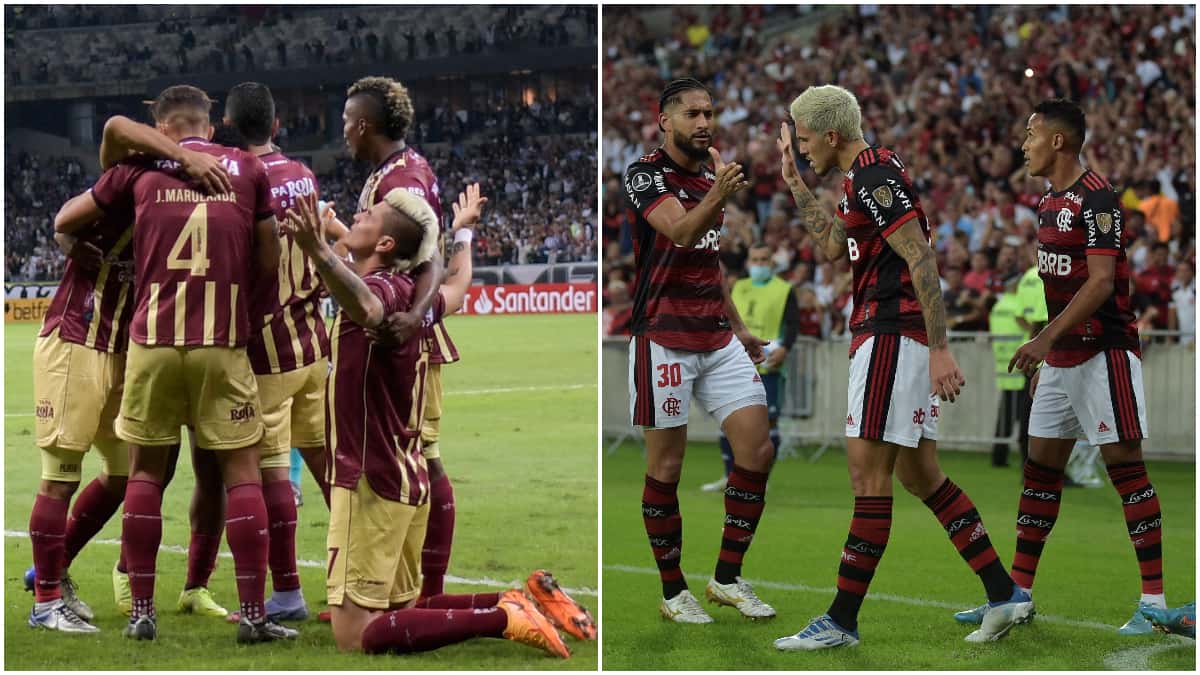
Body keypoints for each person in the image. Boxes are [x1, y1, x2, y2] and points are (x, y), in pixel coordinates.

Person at [772, 85, 1028, 651]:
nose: (802, 146)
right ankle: (1004, 592)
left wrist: (939, 348)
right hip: (895, 337)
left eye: (805, 138)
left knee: (868, 478)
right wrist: (793, 178)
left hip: (891, 336)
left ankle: (841, 619)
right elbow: (836, 246)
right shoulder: (865, 173)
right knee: (920, 476)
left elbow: (920, 255)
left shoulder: (873, 176)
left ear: (832, 134)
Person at [283, 188, 570, 658]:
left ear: (386, 246)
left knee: (355, 633)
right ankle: (517, 600)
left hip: (370, 479)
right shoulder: (416, 293)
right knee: (404, 608)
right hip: (406, 473)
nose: (358, 215)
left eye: (369, 215)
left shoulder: (377, 293)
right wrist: (463, 234)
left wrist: (317, 249)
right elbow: (457, 287)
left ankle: (503, 619)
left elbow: (368, 308)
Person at [53, 85, 294, 643]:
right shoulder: (249, 170)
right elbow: (268, 260)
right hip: (221, 341)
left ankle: (142, 611)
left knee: (143, 472)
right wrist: (244, 316)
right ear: (209, 129)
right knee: (240, 473)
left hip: (153, 344)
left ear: (161, 127)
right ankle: (256, 616)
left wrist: (69, 242)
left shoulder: (139, 170)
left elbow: (68, 217)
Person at [27, 110, 240, 633]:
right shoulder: (132, 171)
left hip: (124, 348)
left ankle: (52, 573)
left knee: (127, 472)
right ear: (177, 131)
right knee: (60, 477)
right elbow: (68, 209)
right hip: (77, 337)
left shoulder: (199, 189)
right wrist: (184, 156)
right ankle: (46, 603)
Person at [973, 98, 1167, 635]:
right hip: (1060, 357)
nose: (1024, 143)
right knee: (1039, 473)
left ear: (1057, 141)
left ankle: (1153, 603)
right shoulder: (1047, 201)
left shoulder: (1099, 198)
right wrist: (1047, 354)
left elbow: (1101, 282)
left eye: (1031, 134)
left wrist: (1040, 342)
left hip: (1104, 351)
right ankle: (1018, 595)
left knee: (1127, 473)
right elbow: (1059, 286)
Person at [623, 78, 777, 624]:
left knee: (758, 451)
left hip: (715, 335)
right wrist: (718, 194)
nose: (704, 122)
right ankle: (672, 592)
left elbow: (709, 261)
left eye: (709, 112)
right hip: (663, 336)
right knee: (667, 466)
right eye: (692, 113)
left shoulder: (713, 173)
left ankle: (727, 579)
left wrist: (738, 326)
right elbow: (682, 233)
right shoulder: (645, 174)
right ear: (665, 120)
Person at [224, 81, 346, 622]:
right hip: (311, 341)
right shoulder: (303, 175)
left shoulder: (240, 181)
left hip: (266, 347)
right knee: (326, 464)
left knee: (273, 469)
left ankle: (288, 593)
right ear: (276, 125)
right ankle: (353, 574)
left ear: (229, 127)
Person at [342, 76, 457, 601]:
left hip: (402, 338)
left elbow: (432, 259)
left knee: (419, 460)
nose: (343, 131)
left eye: (347, 122)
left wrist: (414, 315)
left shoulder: (402, 183)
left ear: (364, 125)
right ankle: (392, 584)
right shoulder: (389, 173)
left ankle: (422, 591)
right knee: (400, 460)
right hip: (397, 327)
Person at [701, 243, 800, 492]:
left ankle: (760, 481)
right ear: (748, 262)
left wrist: (785, 348)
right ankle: (729, 477)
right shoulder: (738, 287)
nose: (759, 264)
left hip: (769, 365)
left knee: (769, 424)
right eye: (754, 259)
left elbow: (793, 323)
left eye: (764, 259)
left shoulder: (784, 289)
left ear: (771, 262)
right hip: (736, 364)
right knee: (728, 421)